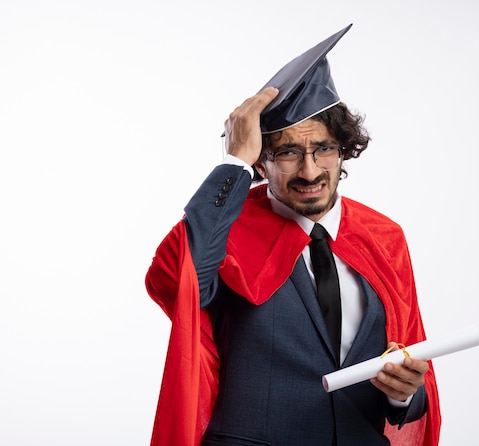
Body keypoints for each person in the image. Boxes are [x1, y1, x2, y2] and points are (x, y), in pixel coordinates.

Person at [145, 24, 441, 446]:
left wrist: (404, 393)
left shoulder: (384, 237)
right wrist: (233, 166)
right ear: (261, 163)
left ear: (344, 149)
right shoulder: (228, 230)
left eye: (323, 148)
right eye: (286, 152)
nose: (309, 170)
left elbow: (408, 359)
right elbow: (179, 279)